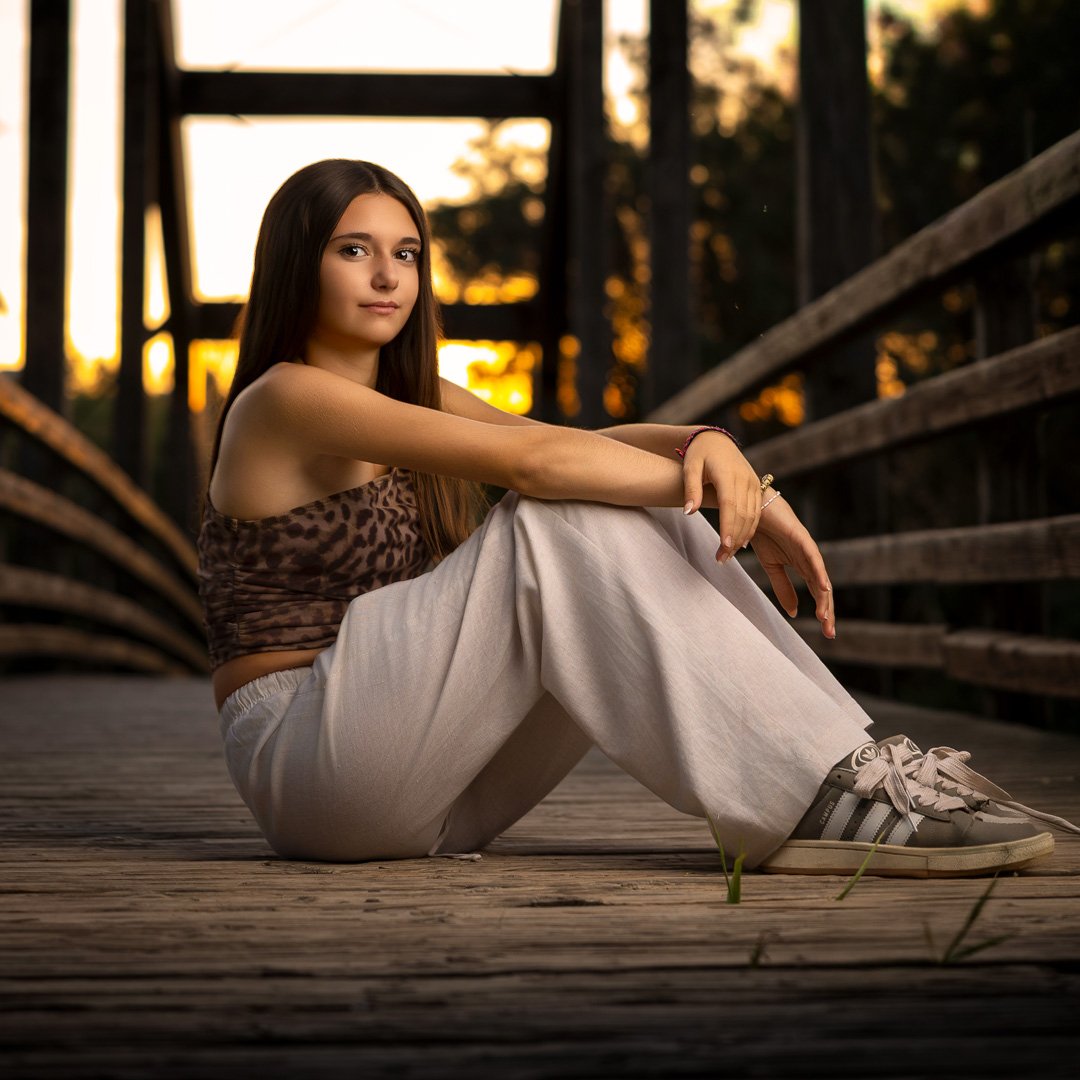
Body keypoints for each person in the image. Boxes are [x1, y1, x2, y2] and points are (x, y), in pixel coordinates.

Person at [198, 158, 1074, 878]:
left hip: (429, 785)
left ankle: (859, 772)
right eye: (354, 250)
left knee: (610, 492)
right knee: (560, 513)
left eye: (407, 252)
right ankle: (821, 796)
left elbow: (572, 441)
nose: (389, 276)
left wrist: (709, 443)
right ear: (297, 262)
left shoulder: (411, 394)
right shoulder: (283, 400)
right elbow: (536, 467)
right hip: (309, 758)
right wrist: (743, 497)